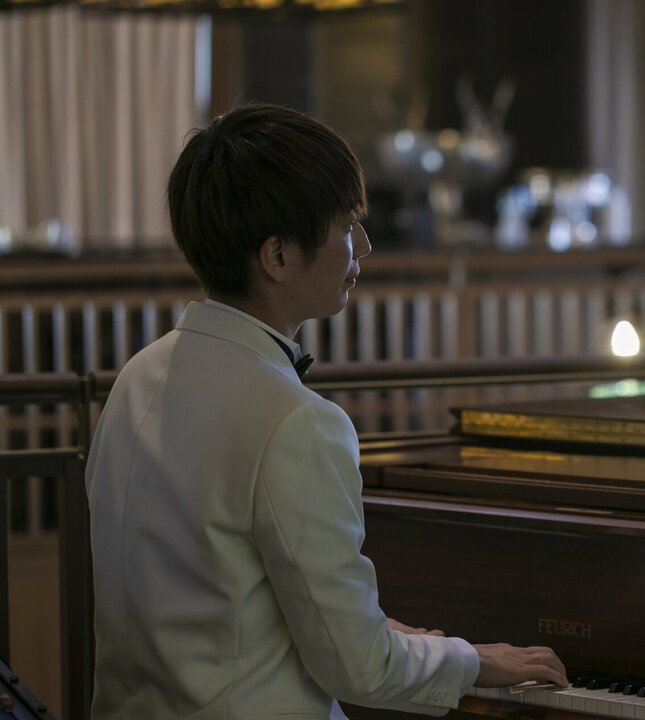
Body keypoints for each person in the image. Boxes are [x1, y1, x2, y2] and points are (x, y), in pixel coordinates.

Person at [84, 103, 567, 720]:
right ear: (278, 257)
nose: (362, 245)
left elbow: (214, 598)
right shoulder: (295, 420)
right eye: (346, 226)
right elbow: (358, 668)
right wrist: (472, 660)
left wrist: (379, 630)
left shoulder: (137, 377)